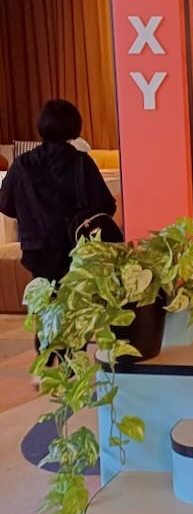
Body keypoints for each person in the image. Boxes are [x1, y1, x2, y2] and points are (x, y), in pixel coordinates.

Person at [0, 100, 118, 365]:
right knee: (74, 301)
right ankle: (70, 361)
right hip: (73, 248)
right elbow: (105, 206)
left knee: (46, 299)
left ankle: (47, 354)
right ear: (74, 126)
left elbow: (4, 203)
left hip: (36, 250)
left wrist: (33, 215)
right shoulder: (80, 163)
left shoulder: (22, 164)